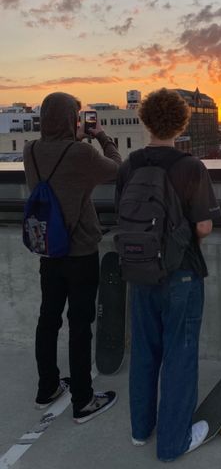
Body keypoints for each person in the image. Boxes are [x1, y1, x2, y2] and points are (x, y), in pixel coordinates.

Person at [115, 88, 221, 461]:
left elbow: (123, 216)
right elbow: (204, 226)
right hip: (182, 274)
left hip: (139, 271)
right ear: (182, 121)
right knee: (180, 353)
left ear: (144, 121)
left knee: (145, 350)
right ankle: (174, 441)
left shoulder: (130, 165)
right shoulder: (190, 167)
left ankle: (141, 430)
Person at [23, 92, 122, 423]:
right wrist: (100, 137)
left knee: (47, 318)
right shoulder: (80, 152)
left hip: (48, 248)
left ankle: (47, 387)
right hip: (80, 251)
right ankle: (83, 401)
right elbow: (117, 168)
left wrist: (75, 141)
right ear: (71, 119)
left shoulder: (31, 150)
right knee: (80, 324)